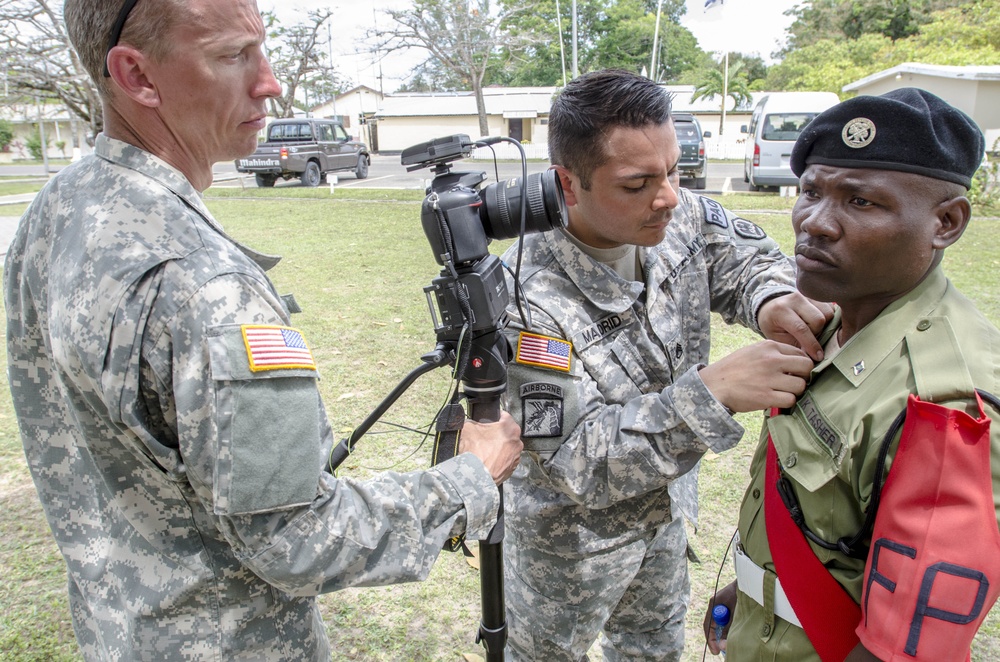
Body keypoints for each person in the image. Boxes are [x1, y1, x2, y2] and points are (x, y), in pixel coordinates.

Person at [3, 0, 524, 659]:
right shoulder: (205, 284)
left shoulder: (59, 211)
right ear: (137, 75)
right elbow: (297, 538)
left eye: (262, 49)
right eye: (230, 55)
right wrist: (471, 479)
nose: (270, 81)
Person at [498, 68, 833, 662]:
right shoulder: (523, 296)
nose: (669, 196)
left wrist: (773, 299)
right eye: (637, 183)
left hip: (666, 514)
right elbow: (575, 461)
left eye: (674, 170)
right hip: (570, 547)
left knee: (652, 649)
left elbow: (746, 260)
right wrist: (714, 392)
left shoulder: (679, 215)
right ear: (567, 184)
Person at [704, 88, 1000, 662]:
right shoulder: (839, 317)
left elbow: (908, 649)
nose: (815, 223)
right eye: (810, 191)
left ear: (946, 222)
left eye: (860, 202)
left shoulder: (946, 405)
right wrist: (763, 587)